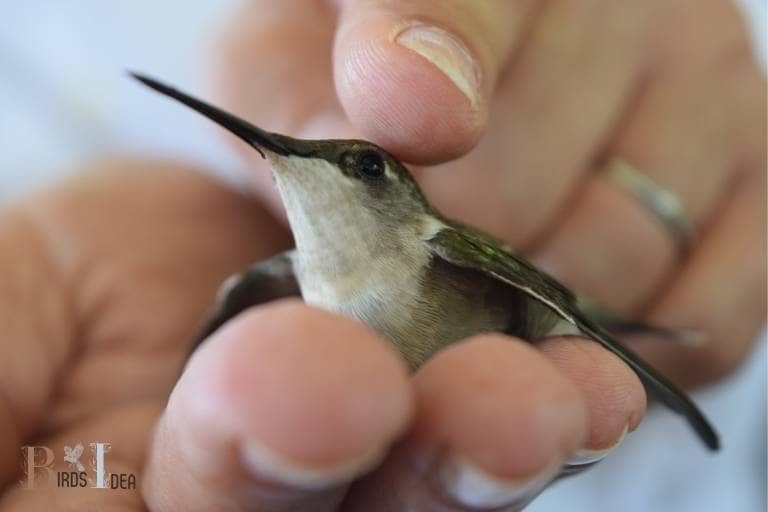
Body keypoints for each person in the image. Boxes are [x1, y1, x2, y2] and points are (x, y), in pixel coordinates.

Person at [0, 1, 764, 510]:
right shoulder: (284, 280)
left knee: (598, 351)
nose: (296, 161)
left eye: (362, 167)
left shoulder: (437, 244)